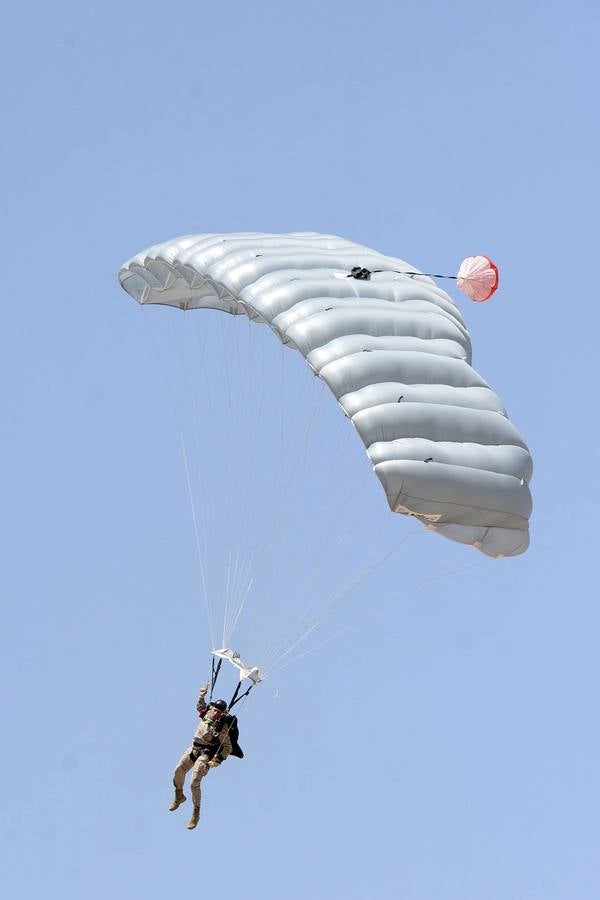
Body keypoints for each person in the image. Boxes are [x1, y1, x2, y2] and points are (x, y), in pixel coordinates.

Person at [169, 684, 233, 830]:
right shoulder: (207, 712)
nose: (215, 713)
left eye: (218, 712)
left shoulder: (222, 727)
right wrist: (201, 695)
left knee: (194, 783)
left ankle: (196, 812)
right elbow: (200, 706)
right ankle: (179, 795)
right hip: (194, 748)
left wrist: (218, 759)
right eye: (215, 710)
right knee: (178, 770)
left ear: (223, 713)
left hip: (206, 754)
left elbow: (228, 747)